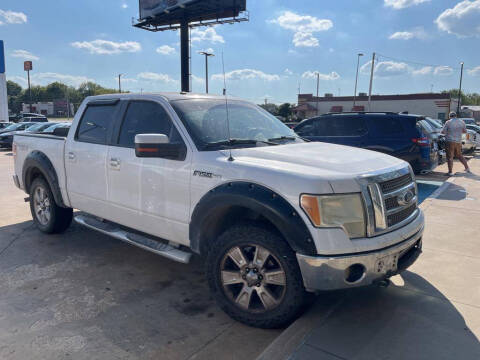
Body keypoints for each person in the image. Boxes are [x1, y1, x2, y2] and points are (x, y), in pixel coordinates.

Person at [442, 111, 471, 176]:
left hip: (450, 141)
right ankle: (467, 168)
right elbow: (465, 132)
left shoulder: (448, 122)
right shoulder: (462, 122)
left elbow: (443, 132)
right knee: (459, 155)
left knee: (450, 156)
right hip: (458, 141)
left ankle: (450, 172)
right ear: (456, 116)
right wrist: (463, 139)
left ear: (450, 116)